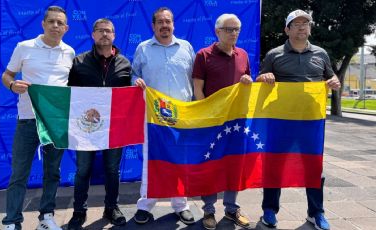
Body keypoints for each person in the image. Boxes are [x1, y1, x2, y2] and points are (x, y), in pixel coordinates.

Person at [256, 9, 341, 230]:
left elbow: (330, 76)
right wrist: (264, 77)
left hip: (310, 121)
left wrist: (333, 81)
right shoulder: (274, 54)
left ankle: (316, 213)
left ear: (310, 28)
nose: (302, 27)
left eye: (306, 23)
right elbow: (259, 81)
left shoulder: (321, 54)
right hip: (280, 121)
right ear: (287, 29)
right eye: (297, 24)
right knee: (274, 166)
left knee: (314, 168)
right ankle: (269, 210)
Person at [1, 6, 75, 230]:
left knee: (53, 172)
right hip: (27, 119)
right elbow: (7, 75)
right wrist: (13, 85)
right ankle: (12, 221)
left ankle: (46, 217)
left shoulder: (69, 52)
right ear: (43, 24)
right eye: (51, 21)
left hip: (56, 122)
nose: (55, 26)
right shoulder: (24, 47)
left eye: (60, 23)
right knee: (19, 173)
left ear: (66, 28)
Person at [65, 18, 131, 229]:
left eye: (108, 31)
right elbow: (69, 95)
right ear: (93, 35)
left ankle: (111, 208)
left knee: (112, 170)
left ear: (114, 36)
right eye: (100, 30)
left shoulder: (125, 63)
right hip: (85, 127)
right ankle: (78, 211)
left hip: (114, 128)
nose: (104, 34)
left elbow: (130, 98)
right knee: (83, 170)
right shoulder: (79, 62)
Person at [131, 7, 195, 225]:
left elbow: (195, 79)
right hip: (154, 116)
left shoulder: (186, 47)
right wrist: (135, 81)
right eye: (160, 22)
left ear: (173, 24)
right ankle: (145, 205)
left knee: (180, 161)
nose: (164, 25)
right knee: (152, 161)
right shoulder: (143, 48)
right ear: (153, 26)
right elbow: (134, 73)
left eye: (168, 21)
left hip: (183, 116)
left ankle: (181, 205)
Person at [192, 13, 252, 230]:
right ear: (217, 32)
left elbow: (247, 85)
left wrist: (248, 81)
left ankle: (231, 208)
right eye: (229, 29)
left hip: (236, 122)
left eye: (237, 29)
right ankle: (208, 210)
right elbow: (197, 88)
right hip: (212, 122)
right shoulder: (204, 55)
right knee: (211, 165)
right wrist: (206, 113)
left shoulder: (243, 54)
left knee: (233, 165)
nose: (234, 33)